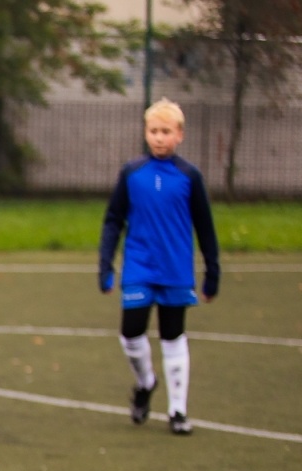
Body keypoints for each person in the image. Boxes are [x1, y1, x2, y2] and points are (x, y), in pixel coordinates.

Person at [99, 98, 220, 435]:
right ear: (146, 133)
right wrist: (105, 264)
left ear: (179, 134)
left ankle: (178, 411)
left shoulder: (189, 176)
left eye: (166, 131)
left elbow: (205, 226)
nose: (159, 137)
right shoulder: (132, 173)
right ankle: (146, 382)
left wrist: (213, 272)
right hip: (139, 267)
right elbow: (113, 220)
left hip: (176, 270)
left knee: (172, 336)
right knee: (130, 334)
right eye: (153, 131)